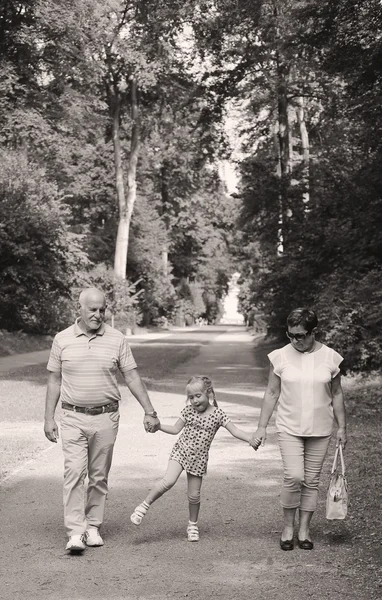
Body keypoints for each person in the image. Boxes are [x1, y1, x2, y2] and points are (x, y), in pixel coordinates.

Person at [44, 287, 160, 554]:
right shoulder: (62, 339)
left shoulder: (117, 338)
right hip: (72, 416)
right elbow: (54, 380)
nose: (98, 314)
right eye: (92, 309)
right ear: (80, 309)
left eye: (102, 310)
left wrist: (149, 410)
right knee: (74, 473)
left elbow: (131, 376)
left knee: (98, 475)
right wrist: (49, 418)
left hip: (106, 416)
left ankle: (93, 526)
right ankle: (75, 532)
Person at [251, 307, 347, 551]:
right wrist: (261, 426)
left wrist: (342, 427)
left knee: (312, 481)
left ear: (313, 332)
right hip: (289, 426)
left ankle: (304, 530)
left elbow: (336, 393)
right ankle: (288, 528)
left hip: (321, 428)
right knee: (294, 476)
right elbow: (272, 392)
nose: (296, 340)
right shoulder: (280, 356)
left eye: (301, 335)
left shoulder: (331, 357)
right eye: (291, 335)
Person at [130, 375, 258, 542]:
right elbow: (176, 429)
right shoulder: (188, 411)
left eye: (198, 396)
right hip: (181, 452)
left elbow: (234, 431)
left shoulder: (218, 414)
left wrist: (250, 439)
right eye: (191, 397)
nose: (194, 401)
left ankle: (192, 525)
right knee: (168, 481)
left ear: (208, 393)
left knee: (194, 495)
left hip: (198, 459)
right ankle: (143, 507)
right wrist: (159, 426)